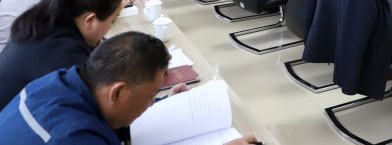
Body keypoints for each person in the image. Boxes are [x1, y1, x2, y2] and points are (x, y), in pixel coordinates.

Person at [0, 31, 258, 145]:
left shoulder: (58, 81)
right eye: (149, 96)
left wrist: (164, 104)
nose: (150, 105)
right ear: (118, 92)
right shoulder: (75, 138)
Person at [0, 0, 124, 108]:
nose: (109, 28)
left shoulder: (48, 23)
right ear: (89, 20)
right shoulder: (63, 53)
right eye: (112, 21)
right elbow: (96, 105)